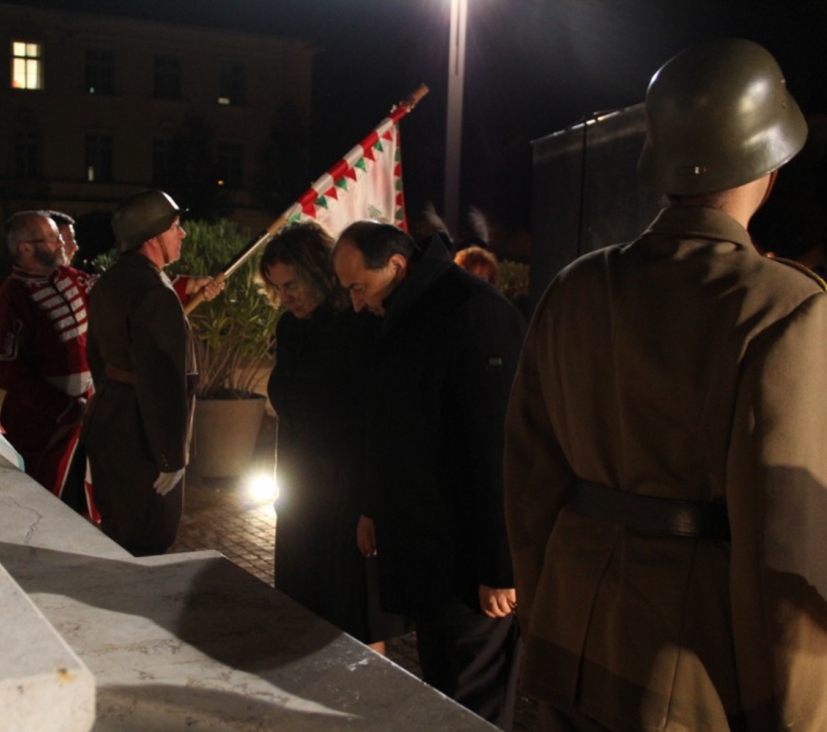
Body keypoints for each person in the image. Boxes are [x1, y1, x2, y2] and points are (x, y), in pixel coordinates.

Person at [504, 39, 827, 731]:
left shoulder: (574, 287)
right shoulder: (784, 309)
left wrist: (550, 615)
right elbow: (784, 546)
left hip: (572, 647)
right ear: (769, 168)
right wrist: (798, 719)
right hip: (692, 675)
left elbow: (528, 487)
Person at [331, 220, 526, 729]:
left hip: (469, 563)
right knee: (443, 689)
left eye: (359, 287)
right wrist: (374, 505)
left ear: (396, 265)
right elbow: (392, 425)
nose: (356, 304)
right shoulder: (406, 310)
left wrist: (500, 566)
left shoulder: (472, 311)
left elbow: (497, 447)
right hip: (428, 552)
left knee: (473, 699)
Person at [259, 221, 408, 654]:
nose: (285, 298)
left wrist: (369, 505)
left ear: (318, 273)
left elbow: (375, 422)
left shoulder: (356, 326)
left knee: (355, 621)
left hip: (346, 497)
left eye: (291, 285)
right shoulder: (290, 328)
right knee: (301, 611)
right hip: (300, 496)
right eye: (276, 288)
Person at [81, 190, 201, 556]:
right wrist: (171, 457)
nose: (182, 234)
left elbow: (95, 356)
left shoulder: (108, 282)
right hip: (144, 436)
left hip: (110, 418)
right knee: (149, 537)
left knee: (117, 532)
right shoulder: (155, 292)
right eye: (175, 226)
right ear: (152, 236)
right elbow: (164, 379)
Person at [0, 210, 95, 519]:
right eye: (50, 238)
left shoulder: (71, 277)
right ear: (25, 248)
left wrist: (183, 288)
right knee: (43, 507)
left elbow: (116, 295)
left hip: (85, 414)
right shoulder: (8, 300)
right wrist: (65, 408)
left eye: (57, 236)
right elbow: (7, 373)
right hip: (41, 424)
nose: (60, 243)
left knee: (80, 500)